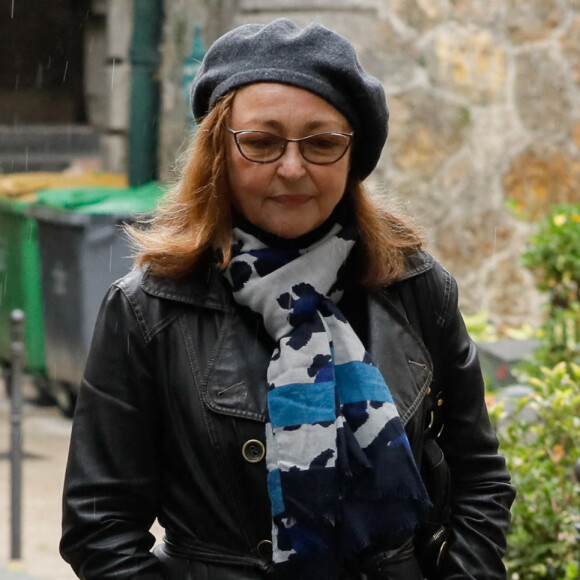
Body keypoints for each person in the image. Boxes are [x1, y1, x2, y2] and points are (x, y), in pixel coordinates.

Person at [60, 18, 515, 580]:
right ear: (219, 152)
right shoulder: (149, 307)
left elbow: (481, 481)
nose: (293, 168)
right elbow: (99, 530)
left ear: (354, 157)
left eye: (322, 143)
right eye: (261, 142)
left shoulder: (416, 289)